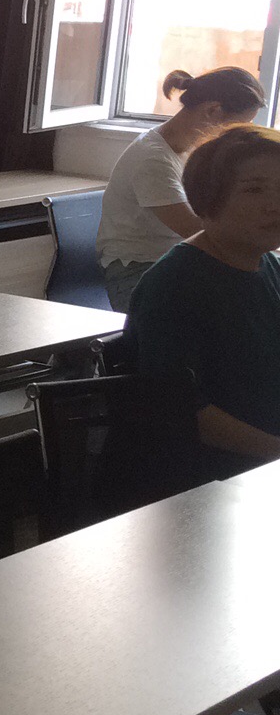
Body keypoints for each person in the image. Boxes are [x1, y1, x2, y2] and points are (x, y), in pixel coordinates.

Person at [125, 125, 280, 483]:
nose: (274, 205)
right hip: (210, 480)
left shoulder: (267, 265)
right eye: (254, 190)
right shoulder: (176, 284)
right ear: (208, 199)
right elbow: (186, 415)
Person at [97, 67, 268, 311]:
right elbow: (194, 230)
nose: (236, 136)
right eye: (237, 126)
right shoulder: (153, 158)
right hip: (138, 270)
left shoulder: (195, 149)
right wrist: (262, 240)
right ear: (213, 111)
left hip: (182, 260)